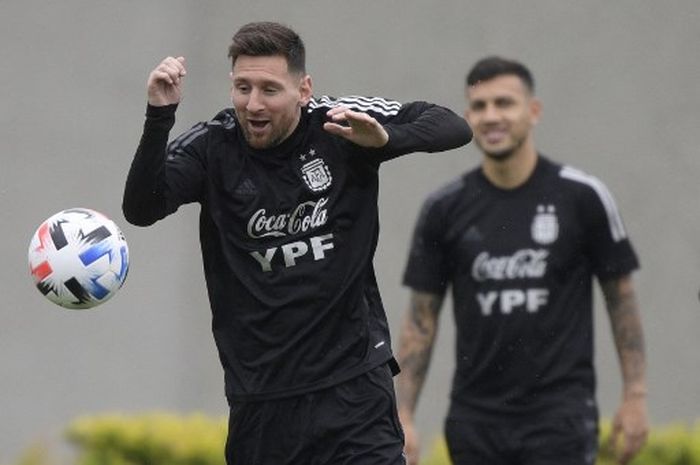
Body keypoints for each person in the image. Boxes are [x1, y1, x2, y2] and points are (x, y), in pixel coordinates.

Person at [122, 21, 471, 465]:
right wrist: (159, 116)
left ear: (304, 89)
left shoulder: (340, 124)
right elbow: (142, 207)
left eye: (270, 89)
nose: (253, 104)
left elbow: (452, 126)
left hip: (353, 391)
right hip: (262, 402)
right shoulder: (215, 146)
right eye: (242, 87)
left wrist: (386, 139)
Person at [396, 56, 648, 465]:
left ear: (533, 111)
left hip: (560, 418)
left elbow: (621, 298)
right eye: (479, 106)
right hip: (474, 421)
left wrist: (635, 396)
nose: (491, 116)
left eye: (504, 103)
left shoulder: (583, 197)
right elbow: (421, 321)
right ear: (467, 116)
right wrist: (403, 413)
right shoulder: (444, 208)